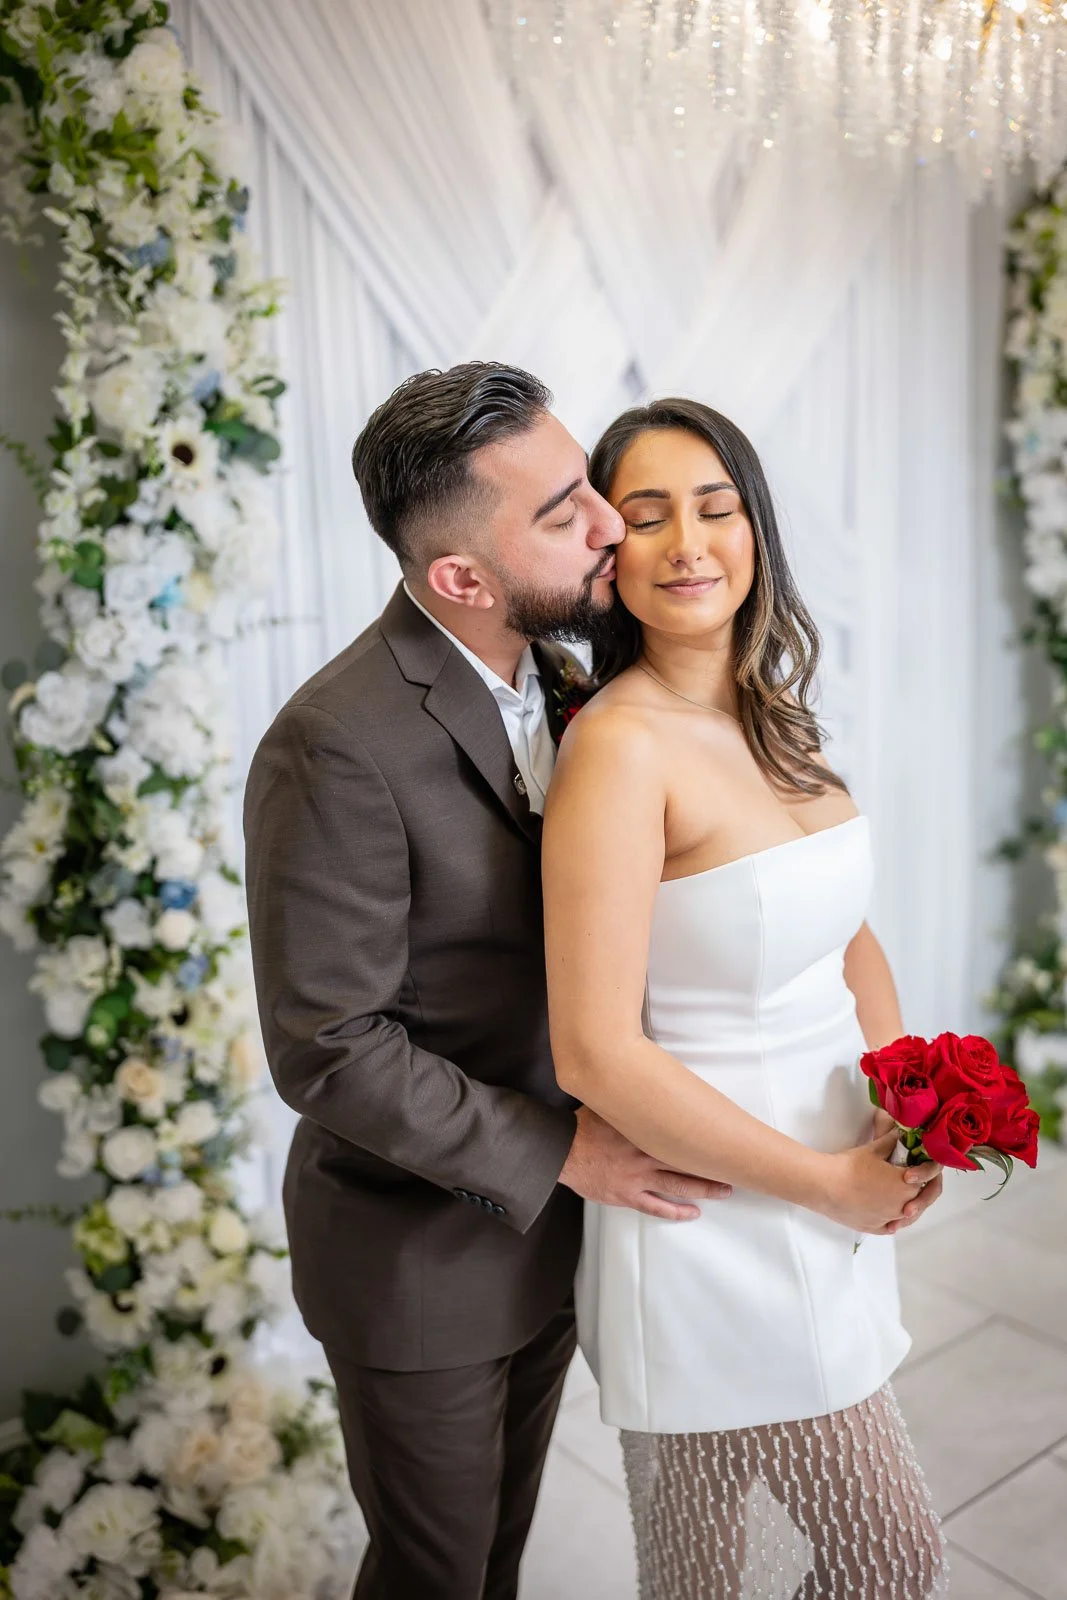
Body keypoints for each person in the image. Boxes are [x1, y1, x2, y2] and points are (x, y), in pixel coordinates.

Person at [242, 363, 745, 1600]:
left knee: (497, 1559)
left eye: (586, 485)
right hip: (418, 1258)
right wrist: (569, 1151)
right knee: (436, 1574)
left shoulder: (566, 682)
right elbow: (330, 1046)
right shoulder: (332, 744)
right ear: (457, 577)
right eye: (561, 511)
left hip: (554, 1234)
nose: (607, 524)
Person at [541, 397, 948, 1598]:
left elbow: (845, 932)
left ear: (755, 529)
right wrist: (828, 1181)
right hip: (714, 1219)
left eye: (715, 508)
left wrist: (900, 1101)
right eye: (649, 516)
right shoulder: (619, 748)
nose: (689, 543)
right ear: (607, 560)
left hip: (825, 1190)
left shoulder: (769, 711)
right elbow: (595, 1052)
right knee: (885, 1557)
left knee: (702, 1564)